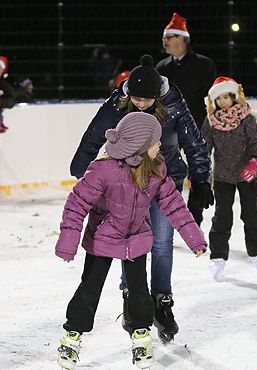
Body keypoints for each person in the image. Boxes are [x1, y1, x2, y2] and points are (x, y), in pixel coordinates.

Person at [70, 54, 213, 342]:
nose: (141, 103)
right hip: (125, 184)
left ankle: (161, 300)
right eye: (136, 98)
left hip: (163, 178)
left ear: (157, 96)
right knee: (128, 239)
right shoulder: (118, 102)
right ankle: (132, 296)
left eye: (147, 100)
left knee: (161, 244)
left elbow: (192, 141)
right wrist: (82, 164)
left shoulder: (173, 103)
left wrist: (199, 180)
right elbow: (96, 132)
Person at [55, 112, 207, 370]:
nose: (160, 145)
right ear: (140, 144)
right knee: (90, 290)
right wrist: (68, 242)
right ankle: (72, 337)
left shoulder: (156, 169)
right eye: (155, 141)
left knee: (139, 291)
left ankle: (140, 336)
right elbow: (76, 204)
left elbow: (175, 206)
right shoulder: (103, 170)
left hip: (136, 238)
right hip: (102, 238)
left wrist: (194, 239)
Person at [201, 76, 257, 280]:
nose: (222, 102)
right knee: (222, 217)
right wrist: (202, 170)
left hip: (247, 176)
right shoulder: (211, 121)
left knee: (252, 213)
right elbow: (204, 147)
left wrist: (254, 163)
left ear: (233, 97)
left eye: (226, 97)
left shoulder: (246, 118)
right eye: (218, 98)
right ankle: (218, 257)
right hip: (222, 177)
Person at [156, 12, 216, 227]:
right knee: (169, 172)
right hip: (168, 129)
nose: (164, 42)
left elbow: (211, 98)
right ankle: (169, 214)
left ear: (181, 39)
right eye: (164, 38)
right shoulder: (162, 68)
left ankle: (193, 219)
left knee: (199, 171)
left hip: (198, 128)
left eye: (168, 38)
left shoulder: (204, 65)